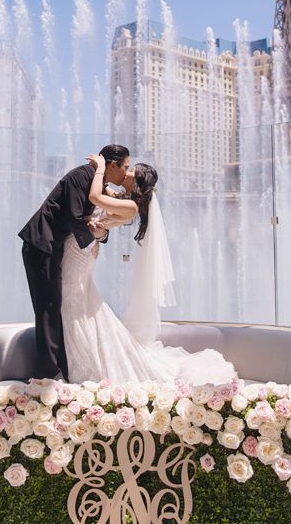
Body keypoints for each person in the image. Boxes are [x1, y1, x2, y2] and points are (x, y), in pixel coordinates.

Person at [60, 153, 237, 386]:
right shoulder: (125, 201)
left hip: (82, 254)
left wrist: (102, 167)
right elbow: (100, 208)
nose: (127, 171)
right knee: (82, 305)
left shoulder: (130, 206)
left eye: (131, 170)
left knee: (76, 303)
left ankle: (84, 361)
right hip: (83, 251)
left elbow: (94, 197)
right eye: (126, 166)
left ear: (138, 180)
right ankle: (84, 354)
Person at [18, 144, 130, 380]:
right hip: (41, 245)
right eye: (125, 167)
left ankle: (59, 368)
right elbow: (75, 217)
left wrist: (99, 234)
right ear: (112, 165)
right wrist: (93, 240)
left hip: (54, 247)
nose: (125, 173)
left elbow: (92, 218)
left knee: (54, 305)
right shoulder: (81, 176)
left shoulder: (96, 181)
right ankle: (48, 375)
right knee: (48, 307)